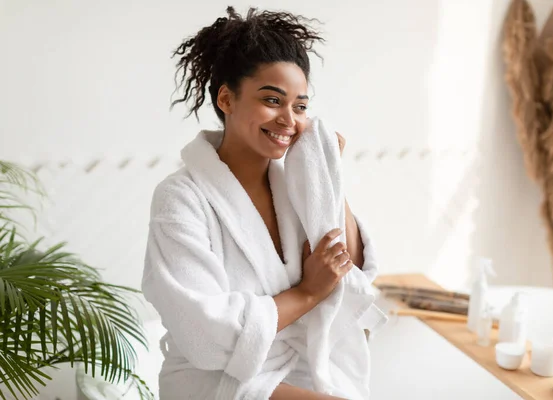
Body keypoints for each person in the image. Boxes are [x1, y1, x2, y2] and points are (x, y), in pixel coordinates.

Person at [142, 6, 378, 399]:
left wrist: (329, 176)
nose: (289, 119)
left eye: (300, 106)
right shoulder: (181, 198)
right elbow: (206, 334)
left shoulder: (296, 187)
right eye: (273, 100)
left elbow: (348, 275)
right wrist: (306, 293)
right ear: (227, 99)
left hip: (297, 367)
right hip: (215, 382)